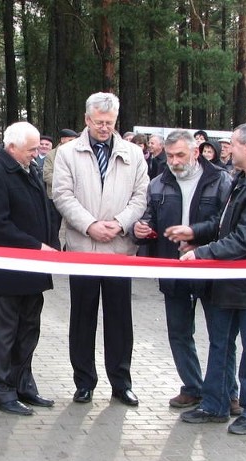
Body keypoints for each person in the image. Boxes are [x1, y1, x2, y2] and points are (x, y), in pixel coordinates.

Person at [171, 122, 246, 435]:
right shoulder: (243, 179)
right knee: (220, 344)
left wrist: (201, 253)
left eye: (233, 144)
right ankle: (215, 404)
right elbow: (225, 224)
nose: (227, 149)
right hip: (229, 280)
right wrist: (195, 233)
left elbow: (243, 239)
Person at [131, 130, 239, 411]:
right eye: (169, 156)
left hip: (210, 266)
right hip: (173, 267)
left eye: (180, 154)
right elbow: (148, 219)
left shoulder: (220, 180)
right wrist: (141, 230)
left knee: (221, 335)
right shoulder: (157, 183)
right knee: (179, 333)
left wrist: (194, 233)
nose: (174, 161)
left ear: (195, 152)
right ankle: (193, 387)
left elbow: (223, 223)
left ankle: (228, 392)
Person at [53, 92, 149, 406]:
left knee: (120, 319)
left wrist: (120, 223)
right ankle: (84, 382)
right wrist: (90, 225)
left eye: (109, 123)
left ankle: (121, 383)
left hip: (120, 249)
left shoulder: (134, 154)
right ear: (87, 120)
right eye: (98, 122)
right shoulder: (68, 154)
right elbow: (62, 196)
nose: (104, 128)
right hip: (83, 246)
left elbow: (141, 196)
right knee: (82, 317)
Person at [0, 121, 57, 416]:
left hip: (34, 268)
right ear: (11, 148)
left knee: (28, 330)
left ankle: (22, 383)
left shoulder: (28, 169)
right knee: (4, 332)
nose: (36, 155)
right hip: (9, 269)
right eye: (31, 149)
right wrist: (36, 246)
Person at [43, 128, 79, 248]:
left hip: (75, 198)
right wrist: (66, 182)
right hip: (54, 197)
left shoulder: (78, 154)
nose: (73, 143)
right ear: (62, 140)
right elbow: (47, 175)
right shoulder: (51, 155)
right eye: (70, 140)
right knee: (54, 227)